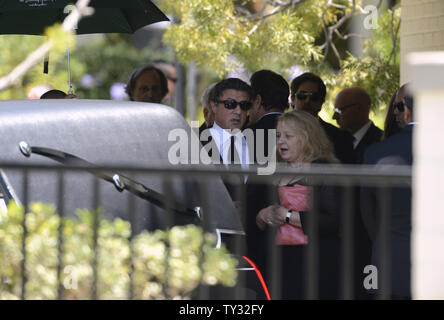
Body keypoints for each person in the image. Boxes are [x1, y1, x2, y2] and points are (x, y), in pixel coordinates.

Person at [256, 110, 341, 299]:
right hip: (277, 261)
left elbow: (331, 220)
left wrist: (286, 215)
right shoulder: (273, 170)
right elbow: (257, 217)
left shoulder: (322, 169)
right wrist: (262, 215)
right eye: (278, 136)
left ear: (306, 138)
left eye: (288, 136)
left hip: (313, 263)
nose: (280, 142)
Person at [361, 93, 415, 300]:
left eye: (399, 106)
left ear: (407, 111)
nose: (395, 112)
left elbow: (367, 210)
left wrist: (382, 240)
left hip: (390, 260)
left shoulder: (377, 152)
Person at [244, 70, 290, 296]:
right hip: (297, 232)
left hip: (255, 234)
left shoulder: (245, 136)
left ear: (258, 100)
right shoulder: (303, 135)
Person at [202, 78, 253, 200]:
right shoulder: (195, 144)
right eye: (230, 104)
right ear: (214, 106)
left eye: (244, 105)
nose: (238, 111)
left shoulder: (258, 145)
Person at [290, 72, 355, 164]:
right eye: (302, 96)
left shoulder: (341, 138)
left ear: (321, 103)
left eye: (314, 97)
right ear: (293, 99)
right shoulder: (274, 132)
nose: (307, 101)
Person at [333, 87, 383, 163]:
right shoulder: (334, 141)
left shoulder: (382, 143)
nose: (334, 117)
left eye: (339, 110)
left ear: (359, 109)